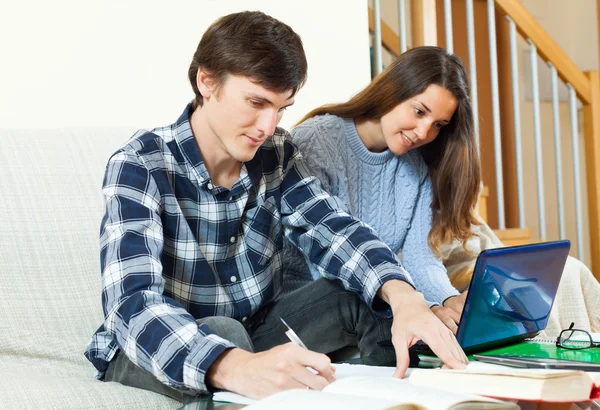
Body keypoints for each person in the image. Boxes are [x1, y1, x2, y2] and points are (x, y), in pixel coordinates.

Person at [84, 13, 467, 403]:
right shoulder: (140, 164)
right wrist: (236, 364)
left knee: (361, 298)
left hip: (254, 330)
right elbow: (133, 306)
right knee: (221, 332)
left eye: (281, 108)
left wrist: (405, 296)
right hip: (156, 344)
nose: (268, 126)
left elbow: (333, 228)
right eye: (256, 102)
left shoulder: (277, 153)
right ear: (207, 81)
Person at [284, 46, 482, 334]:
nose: (423, 133)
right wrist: (411, 305)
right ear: (393, 90)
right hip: (309, 307)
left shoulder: (417, 165)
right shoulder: (316, 140)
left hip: (378, 301)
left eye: (438, 124)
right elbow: (323, 254)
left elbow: (421, 259)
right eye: (419, 111)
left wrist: (446, 301)